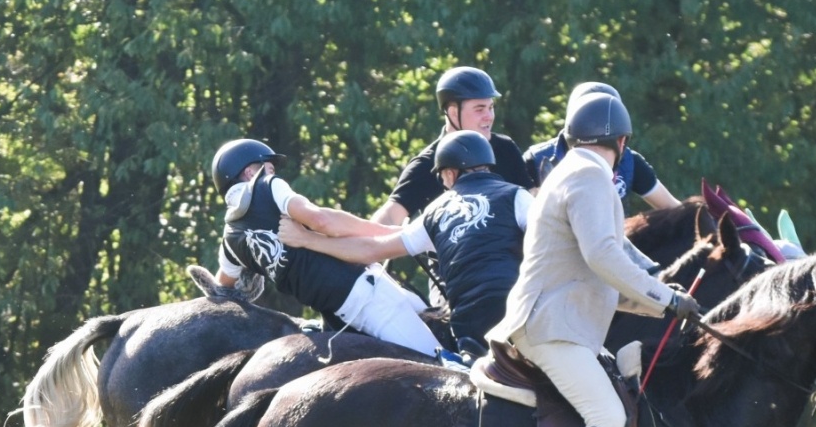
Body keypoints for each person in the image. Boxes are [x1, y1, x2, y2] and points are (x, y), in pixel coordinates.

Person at [486, 92, 702, 427]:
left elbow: (607, 268)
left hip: (562, 322)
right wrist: (667, 301)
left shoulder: (569, 172)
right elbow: (605, 255)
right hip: (551, 328)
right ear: (622, 143)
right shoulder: (588, 177)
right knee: (608, 415)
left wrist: (660, 293)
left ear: (570, 137)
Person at [279, 130, 529, 355]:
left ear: (451, 174)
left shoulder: (434, 212)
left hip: (471, 332)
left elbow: (371, 249)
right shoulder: (517, 195)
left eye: (442, 178)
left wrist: (307, 239)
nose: (443, 185)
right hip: (523, 317)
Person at [210, 138, 447, 359]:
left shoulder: (230, 243)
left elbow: (222, 290)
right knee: (444, 363)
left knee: (443, 328)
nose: (273, 172)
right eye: (269, 167)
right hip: (370, 296)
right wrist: (395, 234)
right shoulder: (267, 185)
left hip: (340, 315)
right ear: (250, 172)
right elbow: (322, 221)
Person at [371, 66, 534, 226]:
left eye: (491, 108)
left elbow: (533, 200)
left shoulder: (505, 148)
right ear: (453, 112)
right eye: (480, 109)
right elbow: (391, 217)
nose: (489, 116)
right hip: (450, 253)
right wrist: (364, 245)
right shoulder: (426, 164)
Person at [524, 82, 681, 209]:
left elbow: (673, 209)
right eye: (587, 118)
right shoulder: (535, 159)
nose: (595, 126)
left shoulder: (631, 162)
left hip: (614, 242)